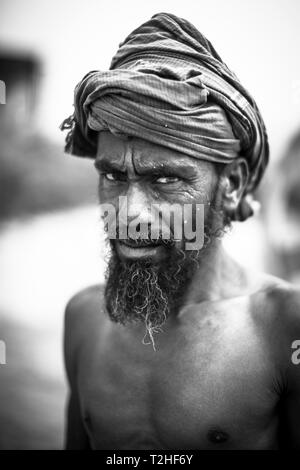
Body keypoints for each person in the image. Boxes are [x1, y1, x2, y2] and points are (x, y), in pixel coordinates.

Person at [61, 12, 300, 450]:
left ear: (233, 186)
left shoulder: (285, 330)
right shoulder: (81, 320)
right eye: (113, 176)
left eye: (165, 180)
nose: (130, 212)